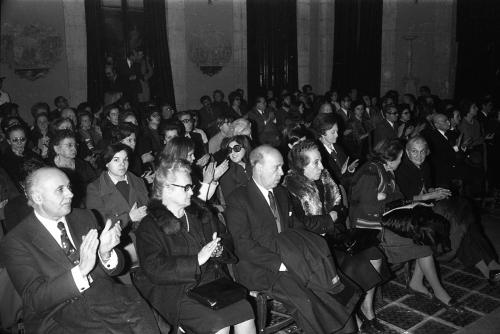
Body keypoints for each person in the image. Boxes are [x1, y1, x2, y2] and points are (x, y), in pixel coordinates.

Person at [0, 167, 159, 333]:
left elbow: (115, 270)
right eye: (60, 190)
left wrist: (105, 254)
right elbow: (34, 299)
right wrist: (81, 271)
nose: (70, 194)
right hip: (56, 314)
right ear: (38, 197)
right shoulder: (16, 241)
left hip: (104, 298)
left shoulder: (84, 216)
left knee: (146, 320)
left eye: (69, 187)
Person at [225, 145, 360, 334]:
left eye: (282, 167)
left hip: (292, 257)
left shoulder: (281, 193)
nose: (282, 173)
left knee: (327, 281)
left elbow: (296, 227)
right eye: (276, 167)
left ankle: (347, 328)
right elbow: (243, 245)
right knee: (308, 297)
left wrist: (313, 246)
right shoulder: (239, 199)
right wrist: (280, 263)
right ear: (258, 167)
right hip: (261, 267)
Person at [134, 160, 256, 334]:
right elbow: (154, 269)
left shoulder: (200, 212)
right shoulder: (149, 226)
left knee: (245, 311)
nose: (192, 191)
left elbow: (225, 238)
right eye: (186, 187)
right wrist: (197, 259)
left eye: (191, 186)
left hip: (213, 284)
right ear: (167, 188)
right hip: (178, 291)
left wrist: (219, 249)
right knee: (218, 324)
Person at [283, 140, 391, 332]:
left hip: (336, 236)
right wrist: (329, 218)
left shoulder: (325, 177)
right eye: (315, 162)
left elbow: (341, 208)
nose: (322, 166)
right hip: (312, 244)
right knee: (351, 266)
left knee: (374, 255)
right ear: (301, 166)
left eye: (321, 160)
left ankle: (366, 309)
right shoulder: (290, 188)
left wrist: (333, 217)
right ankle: (352, 316)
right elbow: (299, 225)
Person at [350, 139, 464, 312]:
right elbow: (367, 208)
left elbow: (397, 198)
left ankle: (421, 284)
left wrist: (399, 202)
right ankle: (433, 290)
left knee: (428, 231)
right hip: (372, 229)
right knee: (424, 237)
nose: (402, 161)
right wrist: (388, 201)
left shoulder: (385, 170)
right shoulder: (371, 172)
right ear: (392, 157)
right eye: (401, 157)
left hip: (387, 219)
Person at [395, 137, 500, 283]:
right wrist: (430, 195)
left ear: (427, 152)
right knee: (461, 216)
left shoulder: (425, 165)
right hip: (413, 212)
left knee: (463, 217)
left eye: (422, 152)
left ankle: (489, 268)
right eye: (414, 152)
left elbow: (425, 186)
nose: (419, 156)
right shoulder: (401, 169)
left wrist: (434, 190)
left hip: (428, 205)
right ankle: (490, 265)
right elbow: (404, 199)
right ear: (407, 152)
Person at [86, 143, 149, 280]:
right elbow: (99, 223)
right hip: (117, 242)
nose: (122, 164)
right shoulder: (94, 189)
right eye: (116, 160)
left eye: (125, 159)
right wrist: (129, 217)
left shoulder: (137, 181)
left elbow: (148, 207)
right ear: (106, 163)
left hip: (145, 236)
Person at [161, 137, 228, 202]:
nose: (194, 158)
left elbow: (205, 197)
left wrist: (214, 180)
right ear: (179, 156)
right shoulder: (172, 178)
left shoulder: (187, 171)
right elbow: (195, 205)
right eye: (190, 155)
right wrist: (206, 182)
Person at [50, 129, 98, 207]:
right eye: (69, 145)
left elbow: (95, 185)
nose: (74, 149)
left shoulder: (82, 165)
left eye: (75, 145)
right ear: (56, 149)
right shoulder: (50, 170)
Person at [312, 113, 359, 188]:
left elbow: (344, 173)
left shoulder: (338, 147)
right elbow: (334, 182)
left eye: (337, 131)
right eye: (333, 132)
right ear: (322, 133)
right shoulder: (319, 155)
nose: (337, 135)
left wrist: (350, 169)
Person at [1, 125, 41, 191]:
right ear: (9, 141)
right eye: (15, 140)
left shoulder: (30, 153)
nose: (19, 143)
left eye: (22, 139)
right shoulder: (5, 161)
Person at [218, 135, 252, 202]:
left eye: (236, 148)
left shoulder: (254, 165)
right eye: (230, 150)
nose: (233, 153)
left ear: (245, 148)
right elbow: (231, 201)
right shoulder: (226, 172)